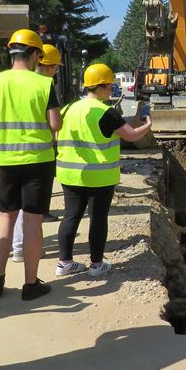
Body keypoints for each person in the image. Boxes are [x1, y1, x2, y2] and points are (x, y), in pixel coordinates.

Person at [0, 28, 62, 301]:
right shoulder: (44, 84)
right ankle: (30, 284)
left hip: (5, 161)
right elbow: (55, 124)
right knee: (32, 221)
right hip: (38, 162)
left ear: (11, 53)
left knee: (6, 217)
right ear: (35, 54)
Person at [54, 64, 152, 277]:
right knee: (98, 218)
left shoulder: (67, 109)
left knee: (71, 216)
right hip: (99, 176)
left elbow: (56, 136)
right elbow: (132, 135)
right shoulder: (107, 112)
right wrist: (148, 124)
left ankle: (64, 263)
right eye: (109, 87)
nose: (112, 91)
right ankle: (97, 265)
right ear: (100, 87)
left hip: (70, 174)